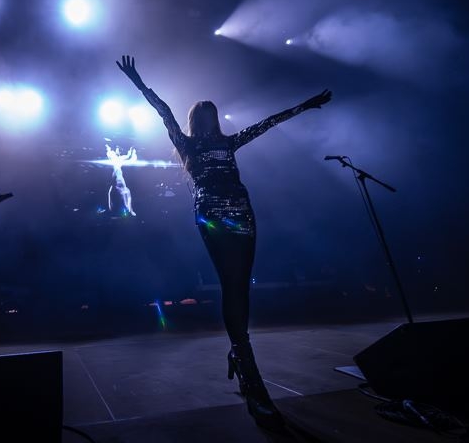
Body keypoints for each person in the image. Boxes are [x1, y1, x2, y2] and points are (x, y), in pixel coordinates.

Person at [117, 55, 331, 429]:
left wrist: (304, 106)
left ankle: (238, 352)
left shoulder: (230, 142)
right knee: (232, 285)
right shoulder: (185, 143)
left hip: (243, 211)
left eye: (212, 114)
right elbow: (163, 110)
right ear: (197, 120)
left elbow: (268, 123)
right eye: (205, 115)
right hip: (212, 214)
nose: (209, 119)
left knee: (240, 288)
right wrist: (138, 82)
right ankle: (249, 369)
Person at [106, 144, 137, 216]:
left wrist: (132, 151)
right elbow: (109, 154)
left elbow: (129, 157)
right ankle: (127, 209)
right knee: (122, 192)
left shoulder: (120, 158)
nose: (118, 150)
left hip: (119, 178)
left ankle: (129, 209)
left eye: (119, 149)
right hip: (116, 179)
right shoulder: (113, 157)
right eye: (117, 149)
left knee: (126, 192)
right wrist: (108, 148)